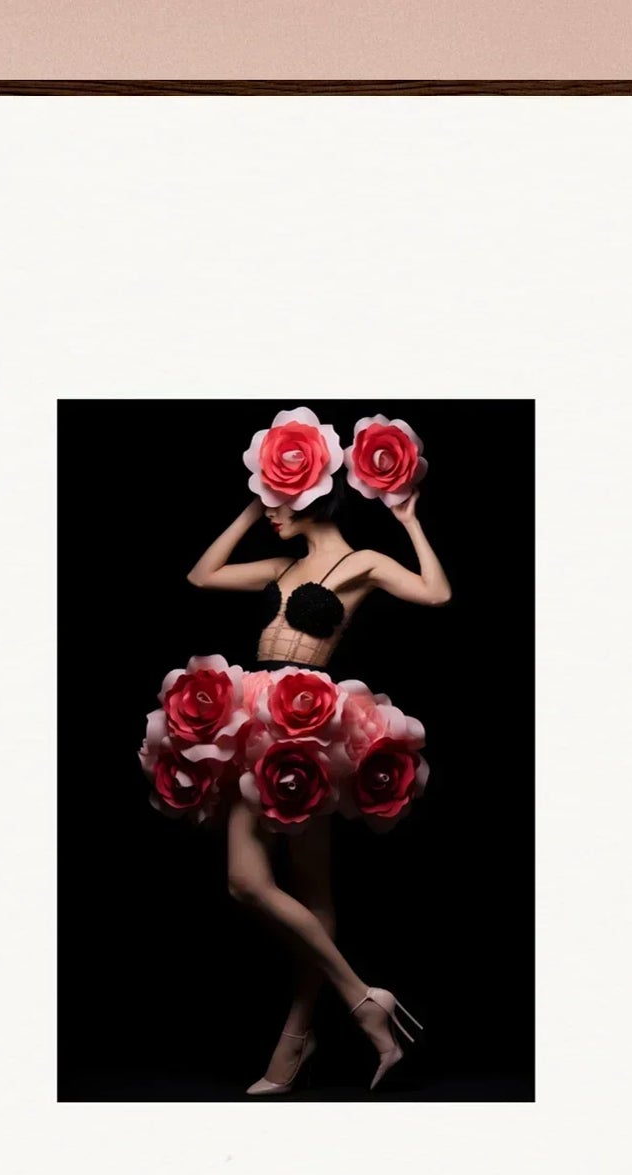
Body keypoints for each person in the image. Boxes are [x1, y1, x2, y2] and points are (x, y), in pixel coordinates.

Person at [167, 407, 451, 1095]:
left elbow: (437, 593)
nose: (270, 512)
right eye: (267, 501)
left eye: (278, 501)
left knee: (312, 888)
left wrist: (408, 516)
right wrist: (248, 507)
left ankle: (294, 1044)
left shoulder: (363, 563)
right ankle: (361, 998)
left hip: (313, 725)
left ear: (315, 495)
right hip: (255, 715)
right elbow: (202, 577)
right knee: (247, 881)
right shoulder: (280, 563)